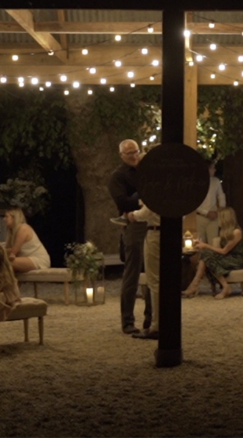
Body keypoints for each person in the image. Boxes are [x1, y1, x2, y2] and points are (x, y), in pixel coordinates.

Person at [107, 139, 151, 335]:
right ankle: (127, 321)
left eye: (136, 152)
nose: (134, 156)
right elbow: (123, 203)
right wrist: (141, 199)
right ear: (121, 156)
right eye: (129, 154)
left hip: (151, 222)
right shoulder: (118, 176)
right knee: (132, 272)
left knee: (153, 273)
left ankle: (151, 318)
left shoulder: (147, 169)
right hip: (134, 224)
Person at [183, 207, 243, 299]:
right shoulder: (224, 231)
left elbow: (224, 251)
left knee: (206, 255)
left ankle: (196, 285)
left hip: (236, 260)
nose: (218, 220)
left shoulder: (237, 232)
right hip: (226, 257)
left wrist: (205, 245)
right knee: (205, 255)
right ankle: (196, 284)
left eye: (220, 218)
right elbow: (220, 250)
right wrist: (204, 246)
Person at [126, 200, 161, 339]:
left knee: (154, 281)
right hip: (172, 234)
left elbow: (147, 212)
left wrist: (132, 215)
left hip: (155, 232)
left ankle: (157, 326)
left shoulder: (156, 187)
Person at [2, 208, 51, 273]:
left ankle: (4, 282)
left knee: (6, 262)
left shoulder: (23, 228)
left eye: (6, 216)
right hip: (27, 258)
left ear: (14, 218)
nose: (4, 219)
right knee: (0, 262)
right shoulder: (11, 232)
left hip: (39, 259)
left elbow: (14, 251)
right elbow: (8, 250)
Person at [190, 159, 226, 244]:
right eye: (212, 168)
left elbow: (221, 196)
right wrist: (206, 213)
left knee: (214, 242)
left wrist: (220, 209)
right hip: (200, 216)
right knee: (200, 241)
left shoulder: (216, 181)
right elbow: (194, 201)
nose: (215, 170)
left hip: (214, 216)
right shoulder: (196, 182)